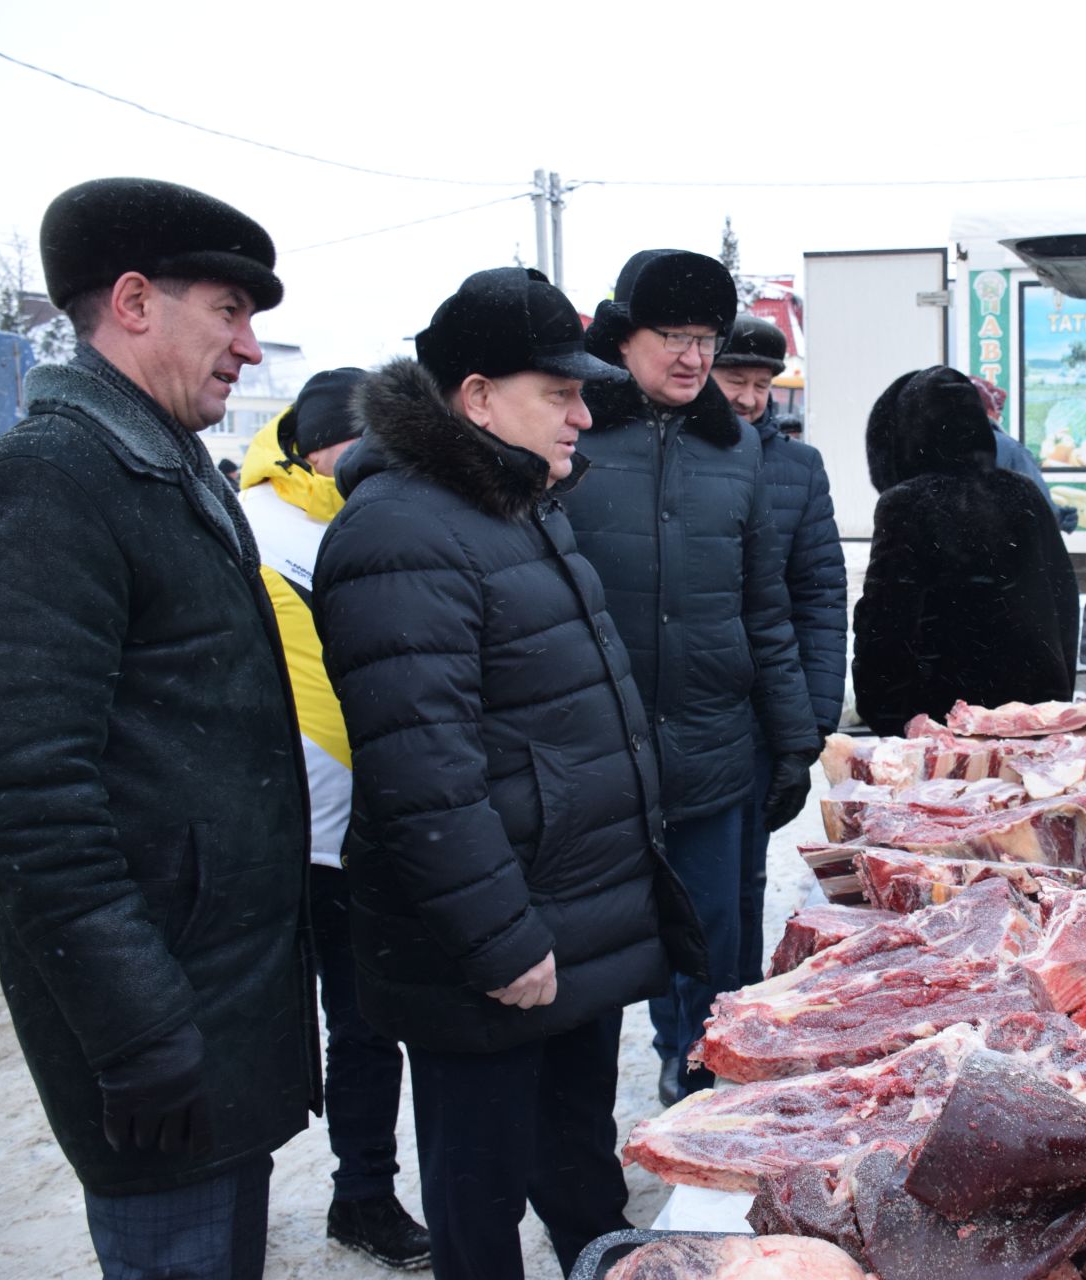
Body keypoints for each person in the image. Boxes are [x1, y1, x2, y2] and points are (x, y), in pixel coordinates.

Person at [0, 177, 317, 1279]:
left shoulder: (159, 462)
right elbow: (28, 799)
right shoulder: (49, 483)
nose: (250, 348)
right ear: (137, 301)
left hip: (211, 995)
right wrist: (139, 1027)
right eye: (230, 311)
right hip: (159, 1014)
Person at [313, 266, 706, 1278]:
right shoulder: (398, 528)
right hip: (494, 943)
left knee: (576, 1158)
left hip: (564, 915)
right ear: (478, 396)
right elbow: (420, 769)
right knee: (478, 1187)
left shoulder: (518, 500)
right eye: (559, 392)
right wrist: (497, 938)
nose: (584, 413)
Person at [573, 250, 821, 1104]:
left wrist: (794, 735)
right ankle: (584, 1153)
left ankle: (705, 1103)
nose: (691, 357)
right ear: (625, 337)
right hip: (594, 756)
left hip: (715, 745)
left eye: (705, 339)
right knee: (600, 965)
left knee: (716, 954)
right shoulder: (572, 436)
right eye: (671, 335)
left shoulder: (738, 449)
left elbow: (766, 607)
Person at [237, 368, 430, 1269]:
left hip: (370, 830)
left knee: (365, 1027)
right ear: (311, 444)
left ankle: (364, 1194)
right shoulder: (253, 527)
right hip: (273, 833)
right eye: (348, 442)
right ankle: (235, 1207)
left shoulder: (396, 515)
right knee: (256, 1031)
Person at [711, 314, 846, 985]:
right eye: (735, 379)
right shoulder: (670, 462)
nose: (749, 397)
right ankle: (682, 1034)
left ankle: (722, 1022)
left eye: (762, 383)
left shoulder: (797, 467)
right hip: (685, 713)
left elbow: (820, 598)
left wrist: (814, 723)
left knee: (741, 886)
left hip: (768, 712)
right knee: (684, 895)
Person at [853, 366, 1079, 736]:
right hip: (1031, 718)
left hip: (942, 725)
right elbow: (1063, 598)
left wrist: (888, 714)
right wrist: (1055, 695)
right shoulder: (1022, 492)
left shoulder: (908, 503)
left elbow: (887, 620)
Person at [969, 375, 1078, 533]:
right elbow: (1040, 505)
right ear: (990, 411)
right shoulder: (1009, 449)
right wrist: (1061, 517)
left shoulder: (934, 445)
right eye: (998, 411)